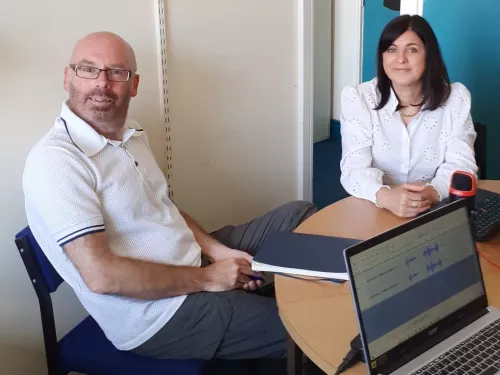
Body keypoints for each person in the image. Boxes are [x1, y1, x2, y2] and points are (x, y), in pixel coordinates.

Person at [22, 31, 316, 363]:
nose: (102, 82)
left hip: (189, 262)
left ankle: (272, 292)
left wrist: (217, 252)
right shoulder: (57, 162)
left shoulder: (131, 133)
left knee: (300, 214)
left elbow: (163, 205)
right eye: (88, 69)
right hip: (158, 316)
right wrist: (207, 278)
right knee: (312, 331)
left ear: (133, 84)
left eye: (117, 72)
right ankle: (284, 316)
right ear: (67, 77)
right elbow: (101, 276)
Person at [340, 15, 478, 218]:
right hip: (375, 208)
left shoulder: (456, 98)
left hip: (435, 209)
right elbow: (353, 170)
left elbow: (462, 166)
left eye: (412, 49)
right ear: (382, 57)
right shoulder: (359, 98)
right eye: (392, 50)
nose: (401, 59)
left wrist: (429, 195)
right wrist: (387, 197)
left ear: (428, 55)